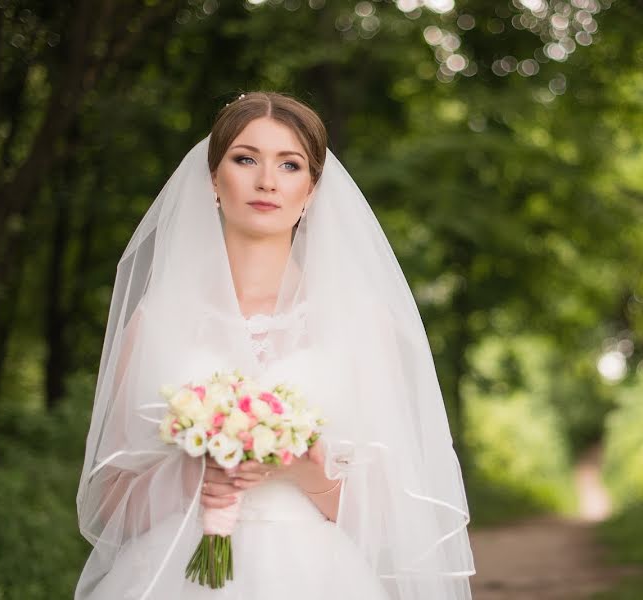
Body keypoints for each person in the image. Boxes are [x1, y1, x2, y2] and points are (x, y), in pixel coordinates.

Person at [75, 91, 474, 600]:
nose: (267, 181)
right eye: (246, 159)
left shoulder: (358, 323)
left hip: (318, 578)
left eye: (289, 165)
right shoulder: (156, 322)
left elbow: (397, 517)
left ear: (311, 191)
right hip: (171, 571)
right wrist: (189, 475)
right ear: (213, 180)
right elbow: (107, 502)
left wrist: (311, 473)